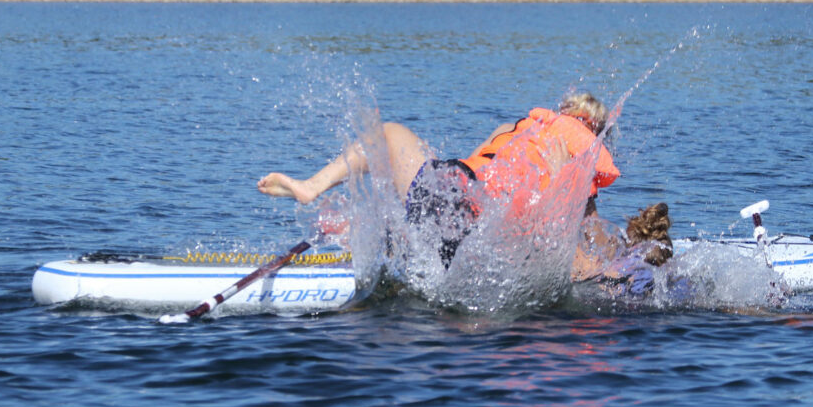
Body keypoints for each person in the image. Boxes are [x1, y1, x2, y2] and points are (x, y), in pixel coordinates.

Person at [258, 93, 620, 266]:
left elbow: (468, 171)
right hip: (479, 233)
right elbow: (581, 226)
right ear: (595, 132)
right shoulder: (580, 154)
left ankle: (314, 190)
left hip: (450, 194)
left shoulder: (515, 131)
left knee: (387, 136)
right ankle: (371, 233)